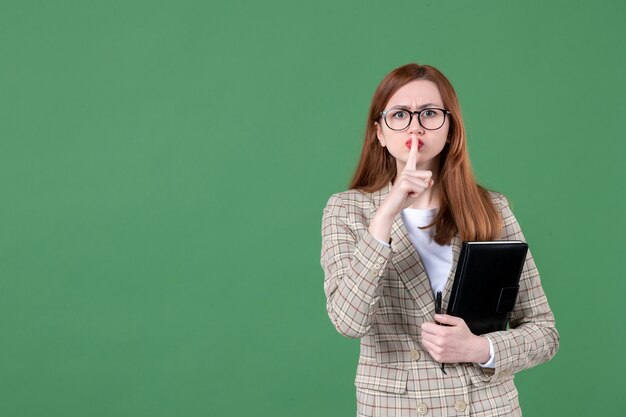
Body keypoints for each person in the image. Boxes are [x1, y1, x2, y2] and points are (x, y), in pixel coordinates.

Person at [320, 63, 559, 416]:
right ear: (380, 132)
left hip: (485, 407)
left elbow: (544, 332)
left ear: (449, 129)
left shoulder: (491, 209)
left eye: (429, 113)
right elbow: (347, 322)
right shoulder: (346, 210)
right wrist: (386, 214)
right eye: (400, 114)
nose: (415, 125)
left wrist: (479, 348)